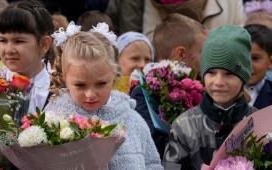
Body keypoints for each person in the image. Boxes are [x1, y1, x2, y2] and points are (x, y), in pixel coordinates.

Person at [45, 22, 163, 170]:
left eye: (101, 84)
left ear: (114, 76)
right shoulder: (51, 120)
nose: (90, 94)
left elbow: (153, 164)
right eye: (80, 85)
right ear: (64, 78)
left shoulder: (133, 120)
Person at [162, 25, 258, 170]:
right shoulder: (184, 125)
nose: (218, 82)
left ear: (244, 76)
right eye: (212, 73)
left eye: (229, 74)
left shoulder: (258, 122)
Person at [130, 13, 207, 159]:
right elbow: (148, 145)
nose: (207, 58)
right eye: (202, 52)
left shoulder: (202, 88)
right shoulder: (143, 93)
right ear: (181, 54)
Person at [0, 0, 55, 114]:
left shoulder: (55, 92)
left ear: (44, 44)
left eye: (18, 41)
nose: (9, 50)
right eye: (3, 40)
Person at [143, 0, 246, 40]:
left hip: (223, 73)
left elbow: (241, 37)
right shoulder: (153, 3)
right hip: (175, 75)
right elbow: (151, 40)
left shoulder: (229, 3)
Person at [244, 24, 272, 109]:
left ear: (270, 62)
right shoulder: (223, 90)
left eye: (255, 58)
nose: (248, 65)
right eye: (242, 57)